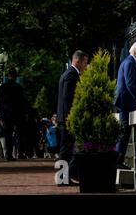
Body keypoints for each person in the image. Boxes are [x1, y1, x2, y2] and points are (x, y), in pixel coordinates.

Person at [56, 50, 88, 184]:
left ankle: (65, 177)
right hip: (68, 118)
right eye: (85, 62)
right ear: (78, 61)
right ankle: (62, 178)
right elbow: (68, 98)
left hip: (64, 117)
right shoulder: (72, 75)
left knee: (67, 149)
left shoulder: (67, 74)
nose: (86, 65)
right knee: (66, 150)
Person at [114, 42, 136, 169]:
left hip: (126, 102)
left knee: (125, 132)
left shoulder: (129, 62)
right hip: (125, 103)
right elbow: (130, 85)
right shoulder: (130, 63)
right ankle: (117, 161)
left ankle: (119, 160)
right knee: (124, 132)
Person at [0, 68, 26, 161]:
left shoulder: (3, 87)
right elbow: (22, 102)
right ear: (15, 76)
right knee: (20, 134)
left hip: (6, 113)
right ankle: (20, 153)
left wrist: (1, 114)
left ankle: (9, 154)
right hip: (17, 113)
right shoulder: (19, 87)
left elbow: (0, 102)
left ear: (8, 75)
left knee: (8, 134)